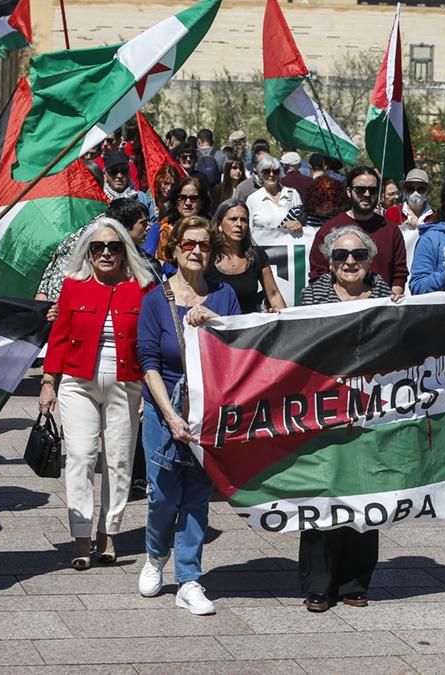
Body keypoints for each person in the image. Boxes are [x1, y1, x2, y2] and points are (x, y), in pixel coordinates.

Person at [137, 215, 240, 616]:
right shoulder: (154, 299)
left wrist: (213, 320)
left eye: (204, 245)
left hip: (209, 407)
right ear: (175, 249)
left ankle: (189, 578)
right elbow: (147, 362)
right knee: (163, 494)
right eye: (189, 244)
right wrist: (169, 415)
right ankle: (154, 555)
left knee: (197, 495)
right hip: (164, 404)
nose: (196, 251)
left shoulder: (224, 295)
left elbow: (239, 341)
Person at [297, 226, 400, 611]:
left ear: (370, 259)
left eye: (357, 255)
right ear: (329, 261)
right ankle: (319, 585)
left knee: (363, 491)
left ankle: (355, 581)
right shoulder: (313, 296)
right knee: (322, 491)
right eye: (341, 256)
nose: (350, 262)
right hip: (323, 410)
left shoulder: (388, 298)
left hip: (373, 409)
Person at [41, 218, 153, 570]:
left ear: (124, 252)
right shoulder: (73, 287)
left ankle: (109, 535)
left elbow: (150, 342)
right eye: (98, 247)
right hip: (78, 382)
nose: (106, 253)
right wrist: (48, 382)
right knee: (81, 455)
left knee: (118, 461)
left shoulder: (143, 288)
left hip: (127, 383)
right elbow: (58, 337)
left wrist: (151, 392)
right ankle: (81, 537)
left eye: (114, 247)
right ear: (88, 252)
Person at [309, 167, 407, 296]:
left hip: (381, 310)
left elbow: (399, 273)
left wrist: (391, 301)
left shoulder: (391, 230)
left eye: (372, 190)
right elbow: (318, 274)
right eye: (360, 190)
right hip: (340, 310)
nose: (367, 194)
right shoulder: (328, 230)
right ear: (349, 192)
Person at [206, 198, 286, 313]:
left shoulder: (257, 256)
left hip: (248, 328)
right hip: (213, 327)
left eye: (244, 220)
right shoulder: (207, 256)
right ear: (219, 225)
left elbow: (273, 294)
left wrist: (286, 323)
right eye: (233, 219)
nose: (239, 224)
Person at [385, 168, 438, 269]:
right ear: (405, 190)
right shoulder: (392, 213)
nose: (415, 193)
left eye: (421, 189)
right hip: (400, 269)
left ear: (428, 192)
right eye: (410, 188)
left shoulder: (435, 217)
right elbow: (385, 243)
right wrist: (401, 230)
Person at [148, 177, 210, 262]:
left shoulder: (210, 232)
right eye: (182, 197)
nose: (188, 203)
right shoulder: (158, 229)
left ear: (202, 202)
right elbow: (146, 262)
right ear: (175, 200)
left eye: (194, 198)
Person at [246, 156, 302, 232]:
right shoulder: (253, 199)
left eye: (275, 171)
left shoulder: (293, 194)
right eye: (267, 172)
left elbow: (303, 222)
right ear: (260, 174)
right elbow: (248, 228)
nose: (271, 175)